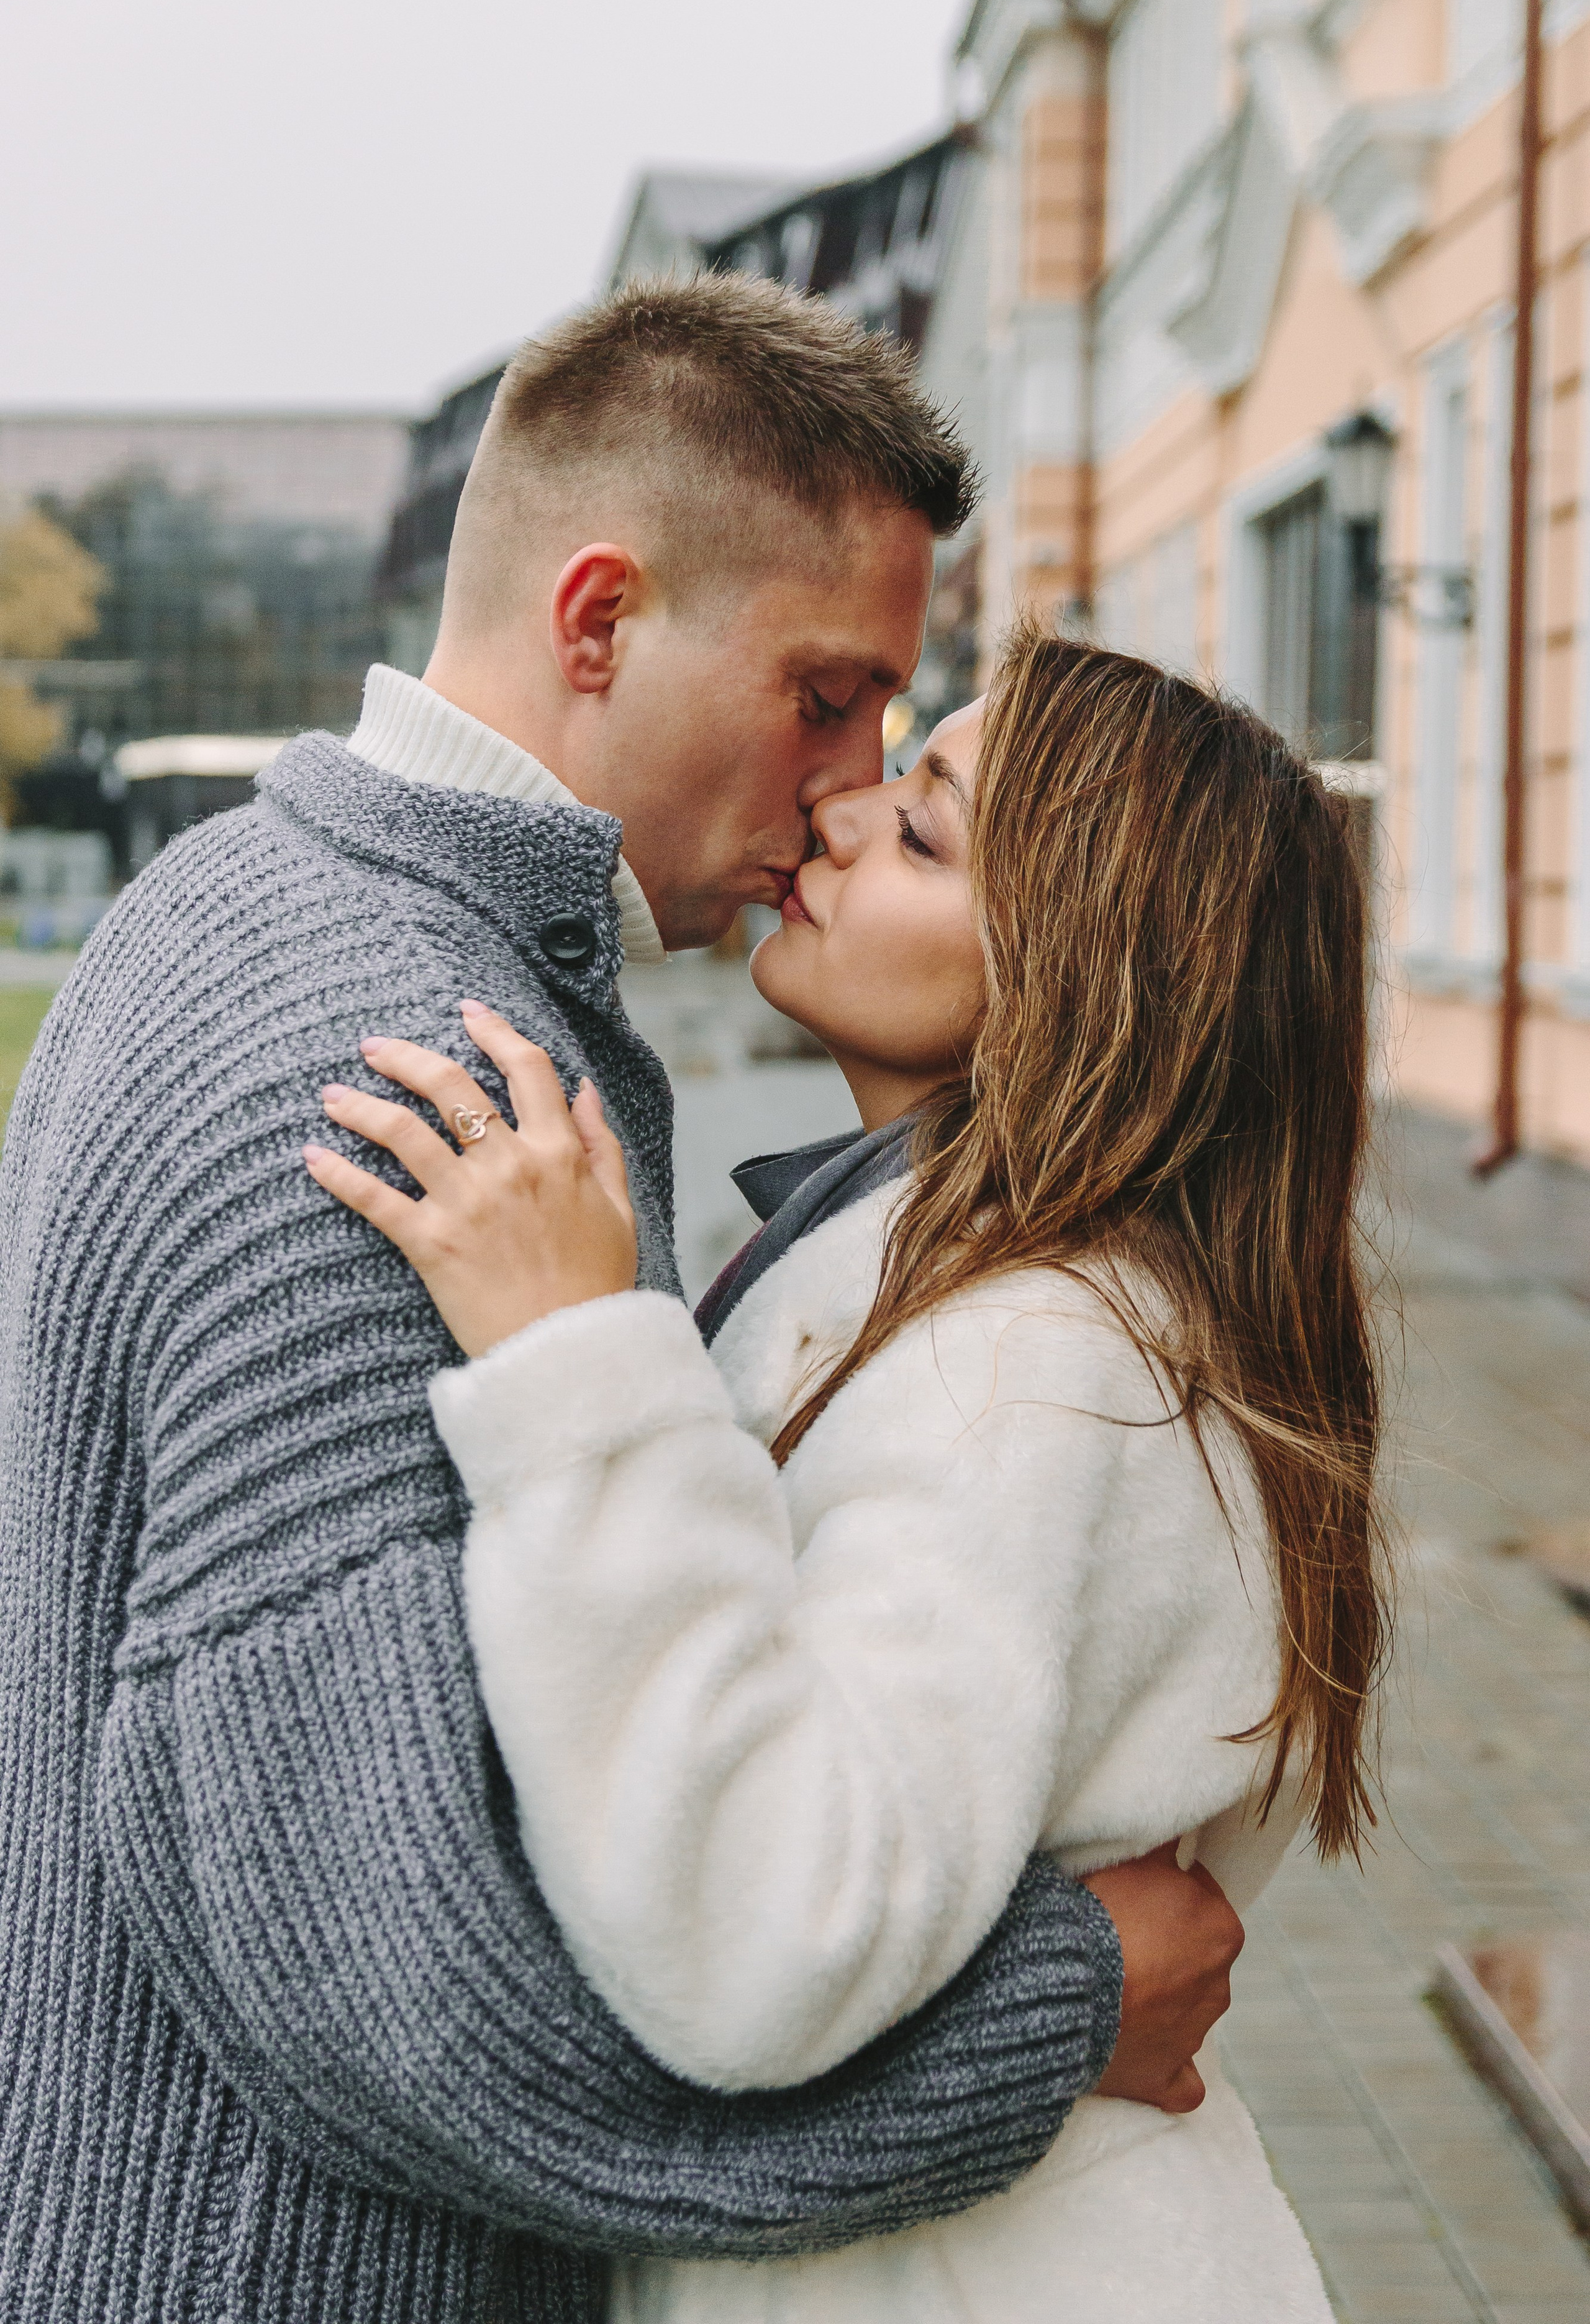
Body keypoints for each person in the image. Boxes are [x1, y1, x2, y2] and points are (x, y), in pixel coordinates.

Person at [0, 280, 1238, 2324]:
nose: (848, 785)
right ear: (599, 623)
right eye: (828, 694)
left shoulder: (240, 901)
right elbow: (404, 2004)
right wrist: (1054, 2020)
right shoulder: (408, 1065)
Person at [309, 625, 1392, 2323]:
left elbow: (762, 1936)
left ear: (1086, 977)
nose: (838, 814)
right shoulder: (1013, 1296)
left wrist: (571, 1366)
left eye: (927, 828)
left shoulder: (1032, 1361)